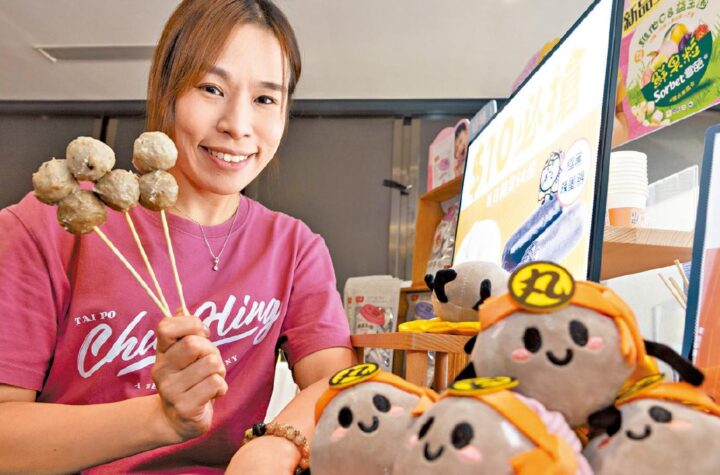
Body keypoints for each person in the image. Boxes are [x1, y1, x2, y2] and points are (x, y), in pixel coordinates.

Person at [0, 0, 354, 473]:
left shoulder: (293, 247)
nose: (237, 125)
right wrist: (160, 419)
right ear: (166, 90)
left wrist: (273, 446)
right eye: (211, 89)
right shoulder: (52, 223)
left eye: (266, 99)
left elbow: (337, 381)